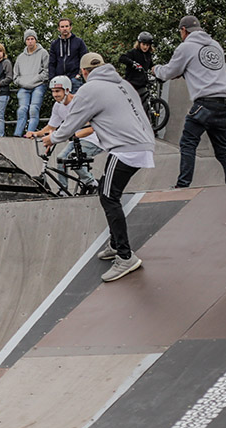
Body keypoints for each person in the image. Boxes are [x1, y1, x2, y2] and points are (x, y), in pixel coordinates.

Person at [46, 53, 155, 282]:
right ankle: (116, 244)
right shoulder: (122, 83)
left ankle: (125, 256)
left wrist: (52, 138)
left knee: (108, 196)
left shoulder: (90, 88)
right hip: (141, 142)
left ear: (84, 72)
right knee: (107, 188)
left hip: (126, 147)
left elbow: (71, 123)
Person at [154, 15, 226, 188]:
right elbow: (202, 69)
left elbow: (168, 72)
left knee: (188, 142)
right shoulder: (216, 45)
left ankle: (183, 185)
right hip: (225, 101)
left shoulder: (186, 47)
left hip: (205, 103)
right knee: (222, 148)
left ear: (183, 30)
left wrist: (155, 69)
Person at [27, 75, 101, 191]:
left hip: (93, 140)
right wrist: (36, 133)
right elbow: (51, 126)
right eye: (53, 91)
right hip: (76, 140)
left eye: (58, 91)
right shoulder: (57, 106)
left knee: (74, 159)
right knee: (61, 158)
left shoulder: (79, 103)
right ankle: (63, 190)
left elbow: (91, 128)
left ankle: (92, 183)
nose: (55, 94)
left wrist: (69, 135)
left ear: (67, 90)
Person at [13, 29, 50, 136]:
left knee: (33, 109)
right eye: (28, 39)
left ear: (36, 40)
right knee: (22, 110)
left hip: (38, 86)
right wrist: (21, 82)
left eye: (32, 39)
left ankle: (30, 134)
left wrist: (37, 79)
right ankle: (17, 135)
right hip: (23, 87)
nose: (30, 41)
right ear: (25, 41)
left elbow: (47, 70)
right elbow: (15, 75)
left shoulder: (43, 53)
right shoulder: (20, 57)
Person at [48, 18, 89, 91]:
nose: (65, 29)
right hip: (59, 80)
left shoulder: (79, 42)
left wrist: (79, 74)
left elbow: (84, 59)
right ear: (58, 28)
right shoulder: (54, 44)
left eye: (66, 26)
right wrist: (52, 78)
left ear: (70, 27)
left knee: (76, 101)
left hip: (75, 79)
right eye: (62, 27)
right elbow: (52, 63)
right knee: (61, 102)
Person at [119, 31, 155, 101]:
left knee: (145, 100)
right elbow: (122, 58)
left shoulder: (148, 55)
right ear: (139, 43)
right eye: (143, 44)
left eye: (147, 45)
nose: (145, 47)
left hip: (142, 84)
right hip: (132, 83)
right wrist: (132, 63)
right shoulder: (134, 52)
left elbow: (151, 66)